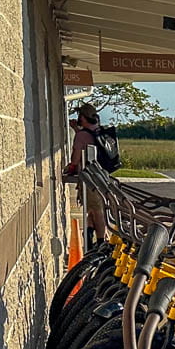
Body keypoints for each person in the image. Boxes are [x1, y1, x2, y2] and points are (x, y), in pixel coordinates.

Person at [66, 103, 107, 247]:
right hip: (102, 175)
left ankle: (101, 242)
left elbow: (76, 159)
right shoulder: (99, 131)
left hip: (90, 178)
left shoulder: (82, 136)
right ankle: (89, 236)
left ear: (83, 117)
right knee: (91, 208)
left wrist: (71, 167)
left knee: (96, 210)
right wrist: (77, 130)